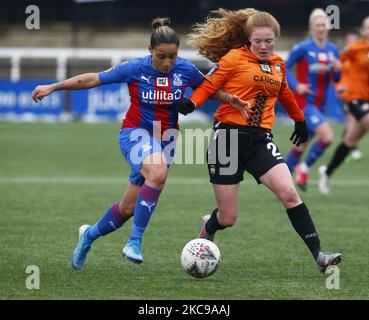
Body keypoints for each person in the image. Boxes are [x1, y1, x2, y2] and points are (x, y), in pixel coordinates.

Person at [31, 17, 242, 268]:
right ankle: (134, 242)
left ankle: (88, 235)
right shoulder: (135, 68)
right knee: (158, 172)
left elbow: (209, 89)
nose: (167, 63)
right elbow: (92, 79)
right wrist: (53, 87)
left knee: (128, 208)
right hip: (135, 134)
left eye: (172, 56)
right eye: (161, 56)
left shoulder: (184, 69)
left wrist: (231, 99)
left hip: (166, 140)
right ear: (149, 50)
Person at [178, 8, 342, 272]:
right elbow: (210, 85)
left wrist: (300, 120)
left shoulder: (278, 63)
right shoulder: (233, 58)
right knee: (228, 218)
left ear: (276, 39)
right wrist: (192, 102)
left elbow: (285, 91)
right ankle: (211, 225)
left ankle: (320, 256)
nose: (264, 46)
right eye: (258, 41)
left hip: (260, 140)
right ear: (248, 39)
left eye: (269, 41)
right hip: (227, 140)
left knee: (289, 193)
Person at [284, 8, 342, 191]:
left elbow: (337, 79)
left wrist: (338, 70)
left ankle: (282, 181)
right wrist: (297, 86)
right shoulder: (302, 47)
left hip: (319, 104)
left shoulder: (333, 50)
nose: (321, 28)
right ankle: (304, 167)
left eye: (324, 24)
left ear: (329, 27)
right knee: (328, 136)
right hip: (304, 102)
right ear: (311, 27)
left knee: (300, 145)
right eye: (317, 25)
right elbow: (284, 68)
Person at [319, 16, 369, 195]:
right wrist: (340, 84)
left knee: (349, 141)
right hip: (356, 98)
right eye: (368, 28)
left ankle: (327, 171)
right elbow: (336, 62)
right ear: (363, 31)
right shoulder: (356, 48)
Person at [335, 32, 363, 162]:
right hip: (347, 94)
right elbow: (337, 76)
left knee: (353, 122)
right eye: (349, 41)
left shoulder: (361, 57)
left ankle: (346, 147)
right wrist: (339, 87)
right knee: (351, 120)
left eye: (353, 41)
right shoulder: (344, 59)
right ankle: (350, 148)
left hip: (358, 94)